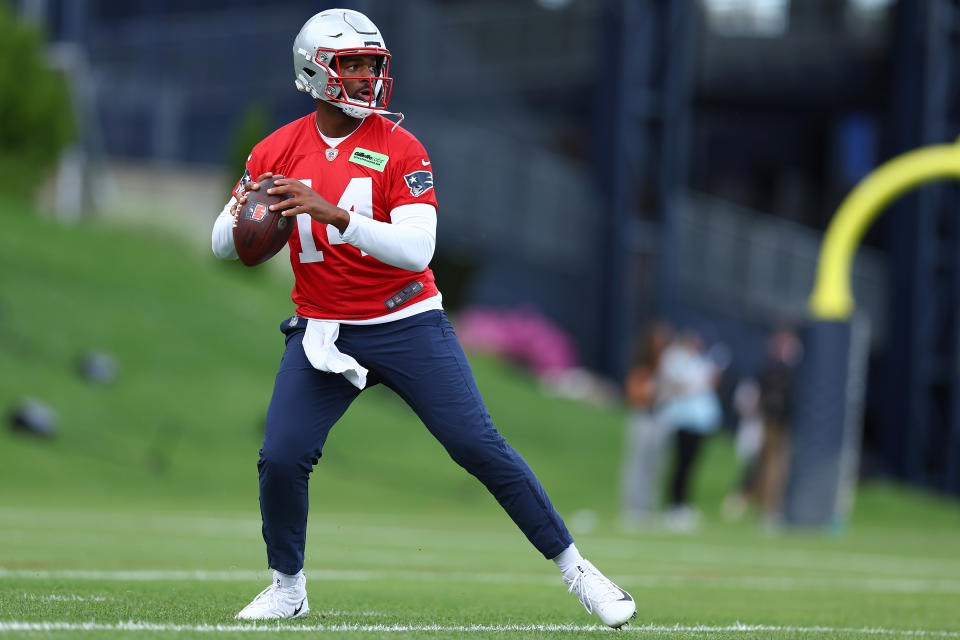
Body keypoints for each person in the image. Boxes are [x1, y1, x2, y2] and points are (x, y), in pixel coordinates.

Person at [210, 8, 636, 629]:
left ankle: (577, 568)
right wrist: (250, 205)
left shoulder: (400, 146)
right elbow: (225, 246)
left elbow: (418, 250)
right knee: (281, 456)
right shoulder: (278, 148)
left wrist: (333, 214)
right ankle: (288, 585)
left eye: (371, 66)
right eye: (351, 65)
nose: (365, 79)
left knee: (476, 444)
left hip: (405, 320)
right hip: (324, 330)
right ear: (314, 70)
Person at [655, 330, 723, 532]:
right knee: (680, 464)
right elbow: (676, 385)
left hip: (700, 423)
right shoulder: (675, 359)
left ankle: (683, 505)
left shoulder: (701, 363)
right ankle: (674, 506)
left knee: (690, 465)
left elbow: (709, 383)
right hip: (682, 420)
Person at [620, 321, 672, 526]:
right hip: (642, 416)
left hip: (660, 418)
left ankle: (648, 507)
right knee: (636, 464)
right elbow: (634, 393)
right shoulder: (641, 365)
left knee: (655, 465)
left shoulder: (667, 365)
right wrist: (650, 392)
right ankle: (632, 507)